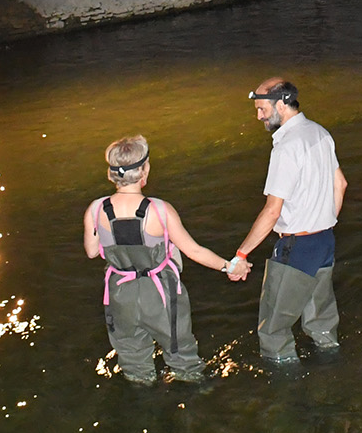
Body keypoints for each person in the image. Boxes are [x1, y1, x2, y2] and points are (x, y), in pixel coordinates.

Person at [82, 135, 243, 385]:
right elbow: (194, 251)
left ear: (111, 174)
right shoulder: (159, 210)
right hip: (161, 293)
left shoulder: (96, 209)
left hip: (120, 292)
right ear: (144, 169)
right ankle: (193, 396)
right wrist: (229, 266)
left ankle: (142, 399)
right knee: (180, 351)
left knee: (132, 357)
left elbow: (92, 252)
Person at [231, 78, 348, 364]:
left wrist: (241, 254)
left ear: (281, 104)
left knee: (273, 329)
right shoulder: (320, 133)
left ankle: (284, 393)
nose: (258, 116)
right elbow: (341, 184)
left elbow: (272, 211)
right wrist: (322, 220)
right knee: (321, 321)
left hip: (296, 247)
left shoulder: (286, 147)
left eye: (262, 109)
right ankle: (333, 370)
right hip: (324, 242)